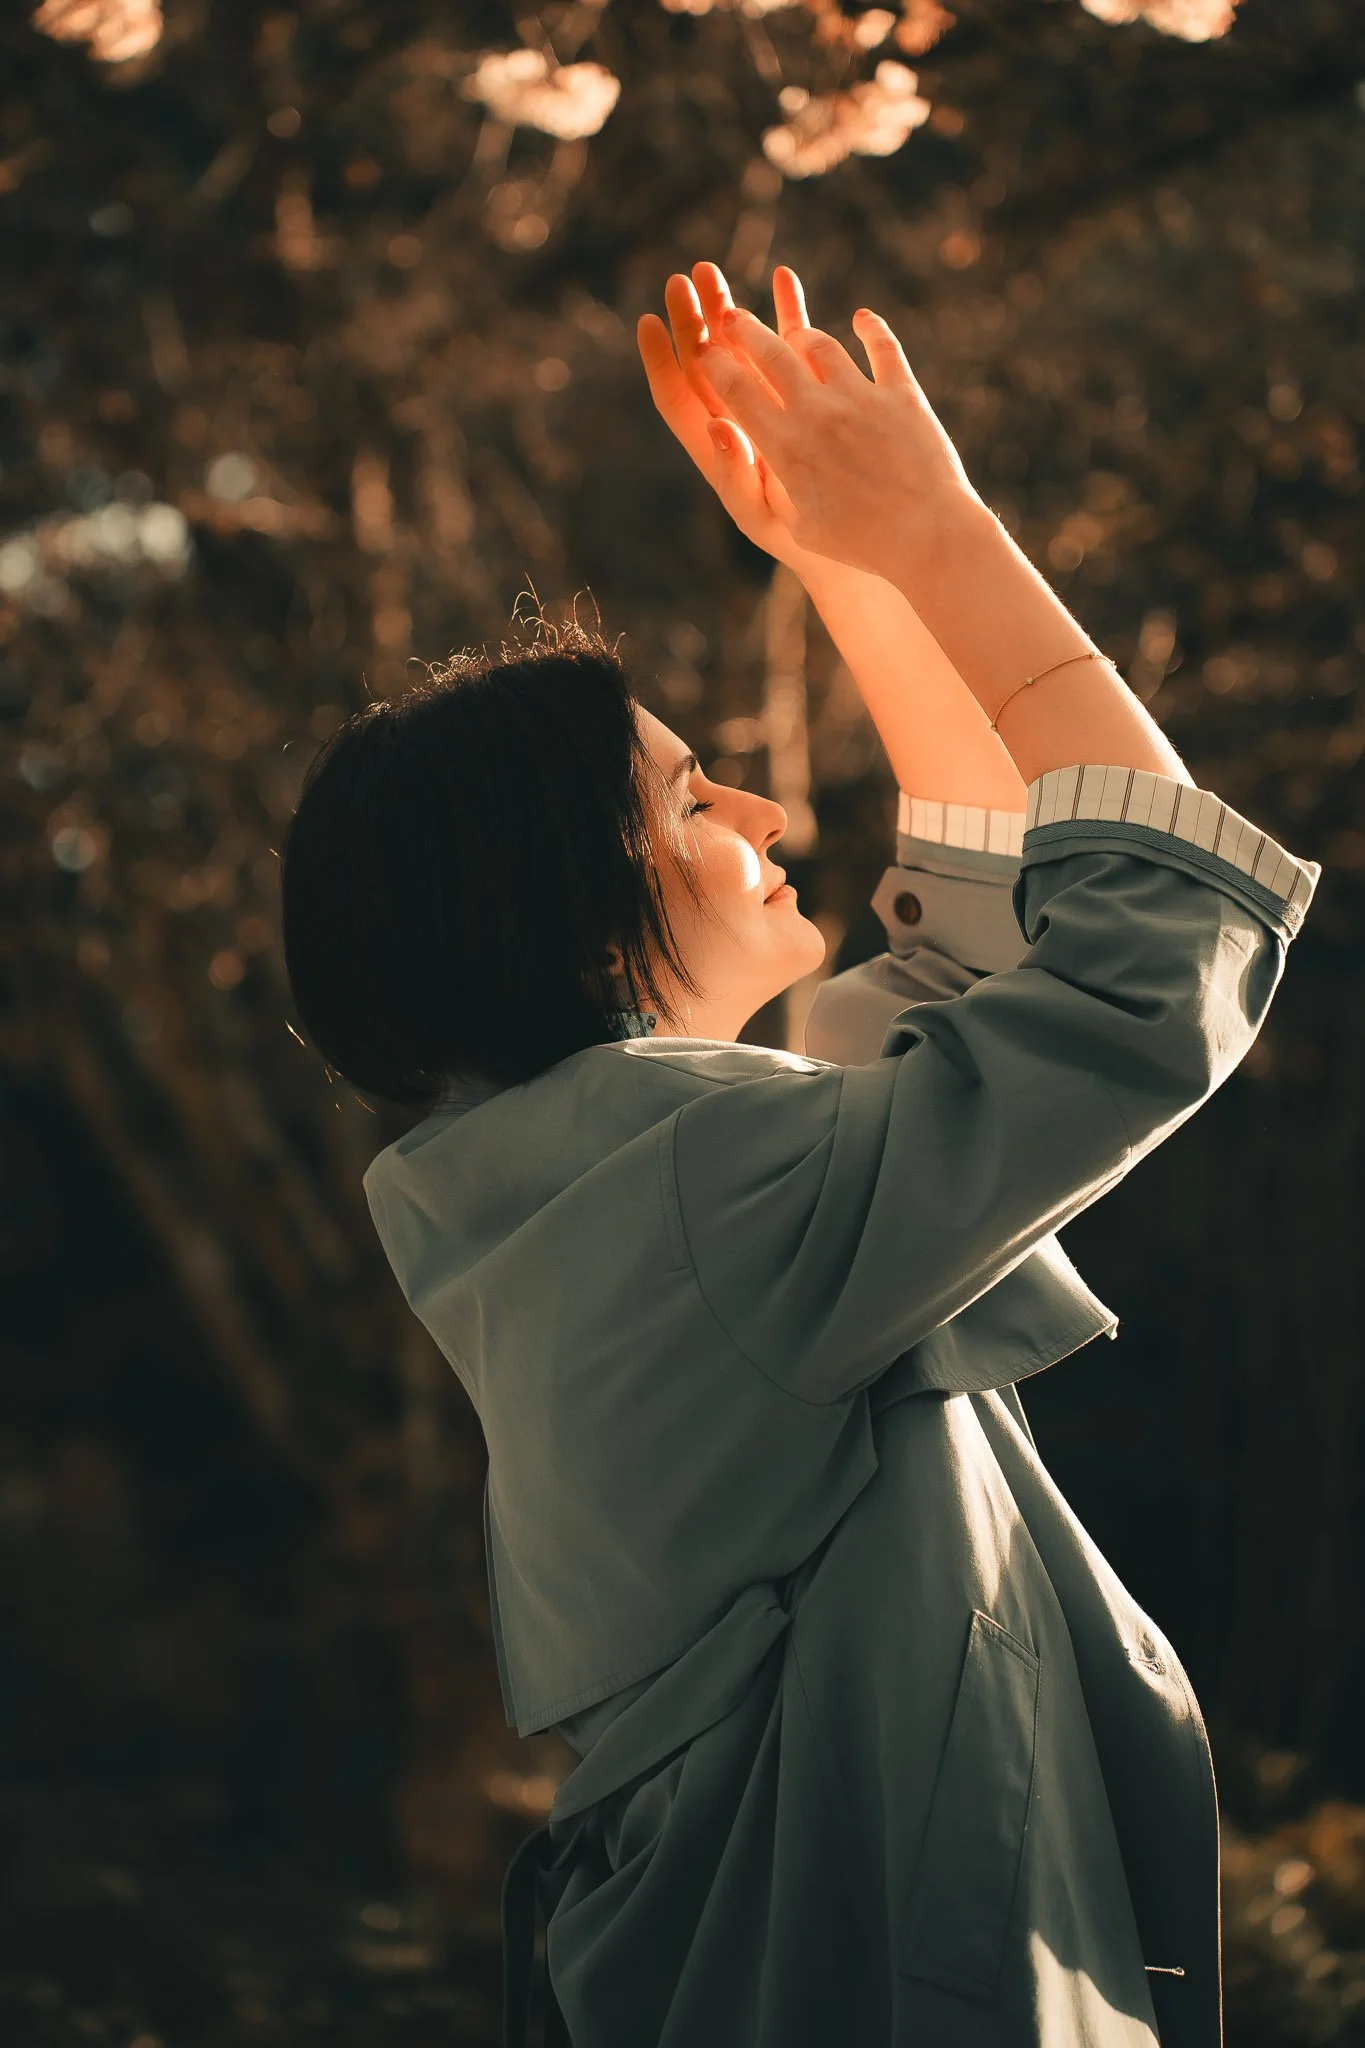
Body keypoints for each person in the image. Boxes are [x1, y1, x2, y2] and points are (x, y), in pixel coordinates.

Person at [278, 263, 1320, 2048]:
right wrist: (943, 533)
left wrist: (846, 561)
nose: (762, 812)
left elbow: (964, 968)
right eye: (689, 799)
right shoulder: (690, 1188)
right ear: (564, 905)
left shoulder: (600, 1195)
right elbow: (1145, 953)